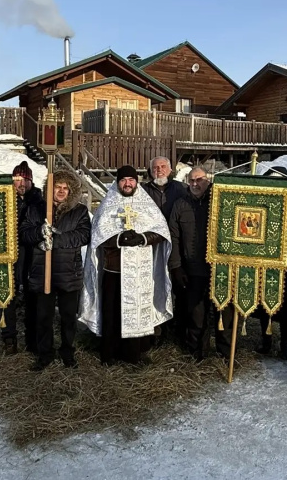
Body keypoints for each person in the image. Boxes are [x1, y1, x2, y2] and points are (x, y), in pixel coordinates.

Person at [80, 165, 173, 365]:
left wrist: (142, 238)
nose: (128, 183)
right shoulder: (109, 203)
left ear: (136, 182)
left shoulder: (146, 204)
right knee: (112, 312)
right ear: (118, 182)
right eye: (124, 180)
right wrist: (119, 239)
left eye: (131, 180)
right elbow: (98, 234)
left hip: (140, 272)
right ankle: (110, 354)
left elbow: (161, 230)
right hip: (114, 270)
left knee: (137, 312)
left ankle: (134, 355)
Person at [20, 169, 91, 371]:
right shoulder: (36, 209)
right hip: (43, 273)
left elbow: (84, 235)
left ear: (71, 191)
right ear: (49, 189)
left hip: (69, 272)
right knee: (43, 317)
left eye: (65, 188)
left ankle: (68, 352)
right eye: (57, 187)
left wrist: (56, 240)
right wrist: (39, 233)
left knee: (68, 317)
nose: (61, 191)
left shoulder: (79, 211)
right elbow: (24, 234)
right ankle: (45, 354)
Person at [168, 167, 234, 360]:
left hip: (220, 268)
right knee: (196, 315)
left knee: (224, 314)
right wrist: (176, 266)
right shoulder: (181, 204)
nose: (195, 184)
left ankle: (226, 352)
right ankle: (197, 352)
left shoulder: (221, 201)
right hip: (193, 268)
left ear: (208, 180)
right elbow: (174, 237)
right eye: (192, 181)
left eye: (199, 180)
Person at [142, 156, 188, 343]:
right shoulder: (143, 191)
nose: (159, 170)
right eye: (155, 168)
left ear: (170, 170)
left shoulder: (181, 190)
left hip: (177, 246)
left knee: (178, 286)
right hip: (152, 248)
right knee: (154, 286)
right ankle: (157, 328)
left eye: (162, 167)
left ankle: (178, 327)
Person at [1, 161, 43, 355]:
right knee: (8, 294)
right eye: (17, 179)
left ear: (31, 181)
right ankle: (9, 337)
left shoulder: (39, 202)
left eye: (25, 179)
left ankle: (32, 336)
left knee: (31, 294)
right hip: (9, 253)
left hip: (32, 253)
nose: (21, 184)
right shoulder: (4, 200)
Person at [252, 165, 287, 360]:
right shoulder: (260, 203)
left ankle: (285, 343)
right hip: (264, 262)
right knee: (264, 304)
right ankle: (266, 339)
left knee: (285, 306)